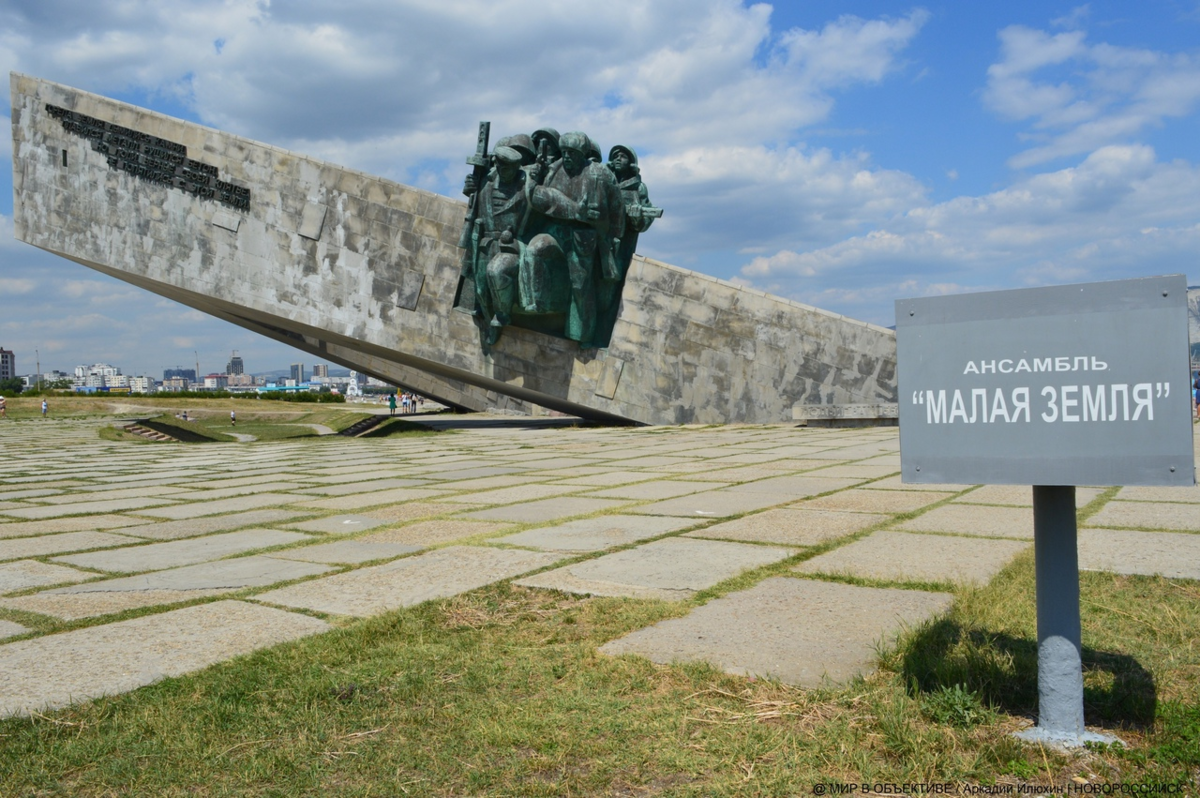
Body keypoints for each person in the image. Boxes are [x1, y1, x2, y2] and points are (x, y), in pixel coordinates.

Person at [527, 131, 624, 348]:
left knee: (581, 286)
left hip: (584, 237)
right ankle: (536, 303)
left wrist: (614, 238)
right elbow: (536, 197)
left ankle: (583, 334)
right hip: (555, 230)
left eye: (572, 153)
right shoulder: (554, 169)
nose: (567, 157)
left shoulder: (600, 173)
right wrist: (533, 178)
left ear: (582, 154)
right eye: (564, 152)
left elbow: (618, 208)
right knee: (535, 250)